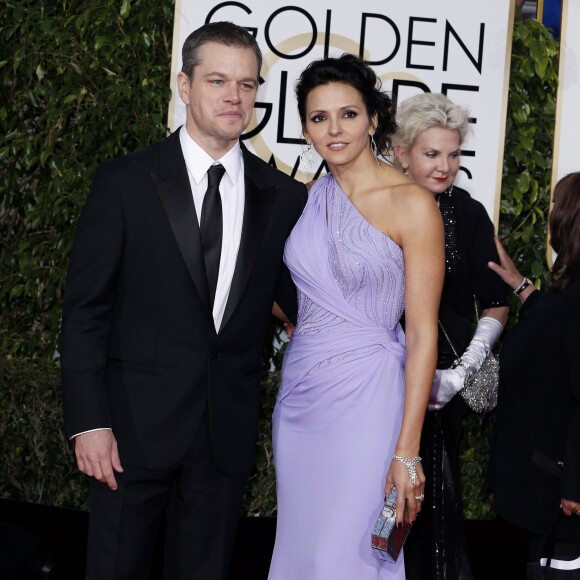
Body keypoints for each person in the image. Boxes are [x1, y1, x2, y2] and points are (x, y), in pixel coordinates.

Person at [59, 21, 307, 580]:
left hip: (223, 435)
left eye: (246, 85)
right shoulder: (125, 182)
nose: (234, 97)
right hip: (128, 431)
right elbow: (85, 311)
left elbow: (299, 303)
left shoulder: (284, 197)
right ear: (184, 85)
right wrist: (88, 421)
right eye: (218, 80)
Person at [267, 54, 445, 579]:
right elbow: (281, 290)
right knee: (303, 547)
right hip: (301, 396)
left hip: (369, 399)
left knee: (346, 554)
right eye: (319, 118)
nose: (334, 129)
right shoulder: (302, 201)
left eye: (348, 114)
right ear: (304, 128)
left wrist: (407, 451)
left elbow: (421, 333)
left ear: (373, 119)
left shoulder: (412, 203)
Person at [393, 92, 509, 580]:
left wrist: (460, 375)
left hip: (446, 388)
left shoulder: (470, 212)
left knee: (436, 505)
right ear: (402, 153)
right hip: (384, 379)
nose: (445, 166)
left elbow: (498, 299)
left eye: (454, 154)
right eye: (431, 153)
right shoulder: (379, 207)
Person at [489, 171, 580, 571]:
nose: (551, 213)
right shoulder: (570, 287)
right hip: (548, 491)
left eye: (558, 205)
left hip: (563, 502)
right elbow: (554, 325)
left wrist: (575, 484)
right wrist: (521, 285)